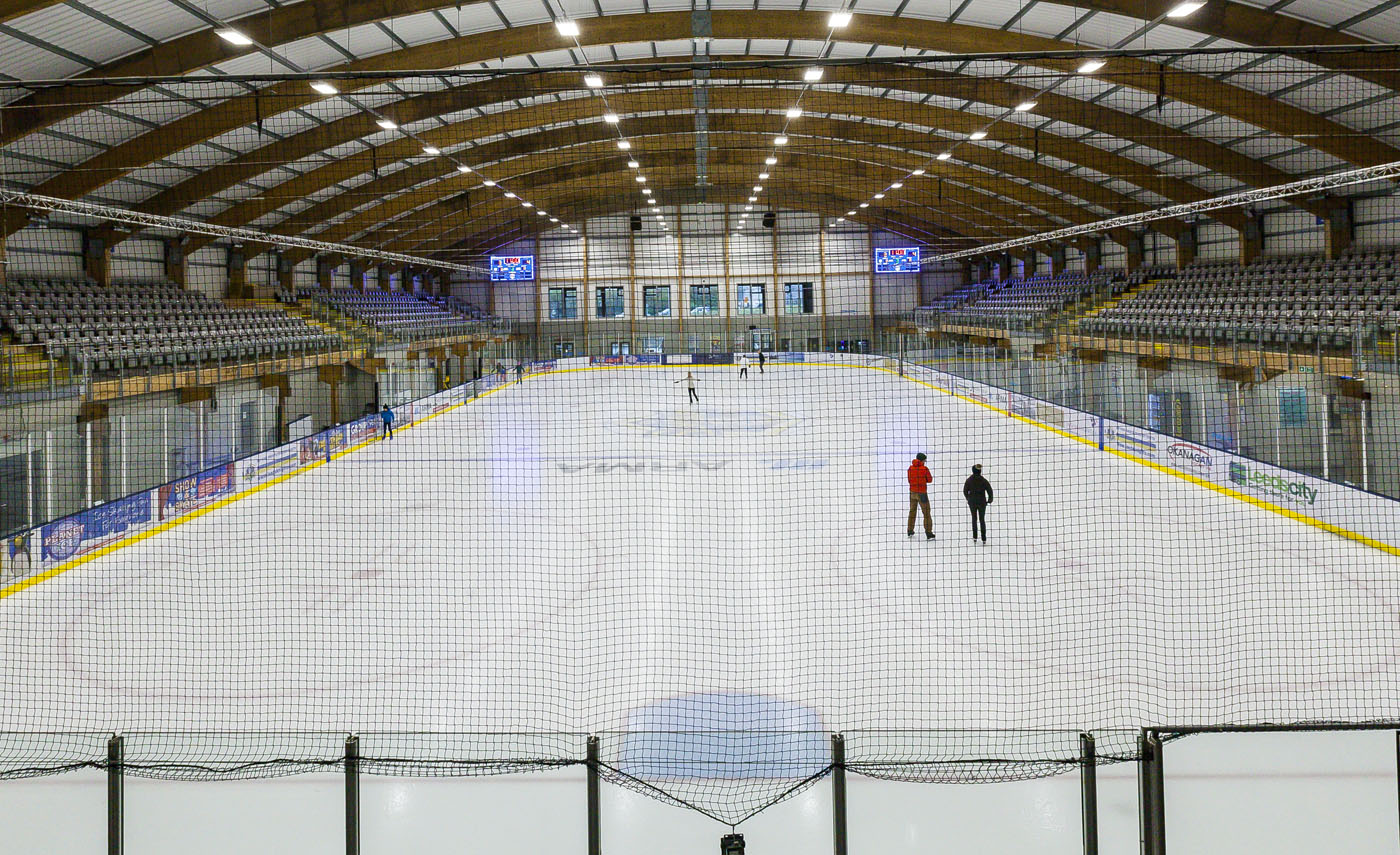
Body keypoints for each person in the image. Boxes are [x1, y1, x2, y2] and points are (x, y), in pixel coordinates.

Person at [906, 453, 934, 540]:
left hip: (912, 492)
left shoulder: (910, 468)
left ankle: (910, 530)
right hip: (922, 493)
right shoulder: (924, 469)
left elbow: (909, 480)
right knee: (926, 513)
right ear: (922, 460)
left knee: (912, 511)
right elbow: (930, 480)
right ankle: (928, 532)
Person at [963, 463, 993, 543]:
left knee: (974, 519)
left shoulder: (969, 480)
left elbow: (965, 491)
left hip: (972, 502)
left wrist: (968, 498)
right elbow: (989, 490)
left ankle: (975, 536)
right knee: (982, 519)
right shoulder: (983, 480)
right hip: (982, 502)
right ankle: (984, 538)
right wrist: (990, 499)